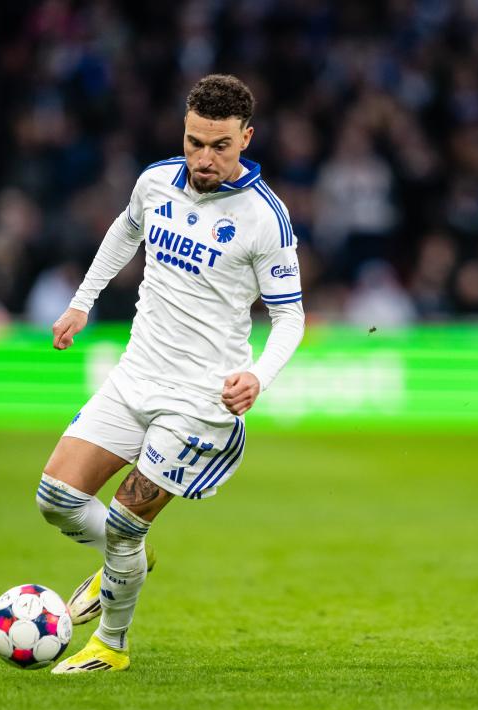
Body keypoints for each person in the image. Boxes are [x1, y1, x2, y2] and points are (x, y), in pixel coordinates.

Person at [35, 75, 304, 673]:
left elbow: (290, 317)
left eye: (220, 146)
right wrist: (81, 303)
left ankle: (110, 645)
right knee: (56, 499)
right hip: (134, 378)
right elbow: (124, 231)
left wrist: (259, 376)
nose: (204, 158)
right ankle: (128, 561)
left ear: (246, 139)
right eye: (194, 142)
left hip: (201, 402)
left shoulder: (266, 218)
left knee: (125, 523)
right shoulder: (155, 182)